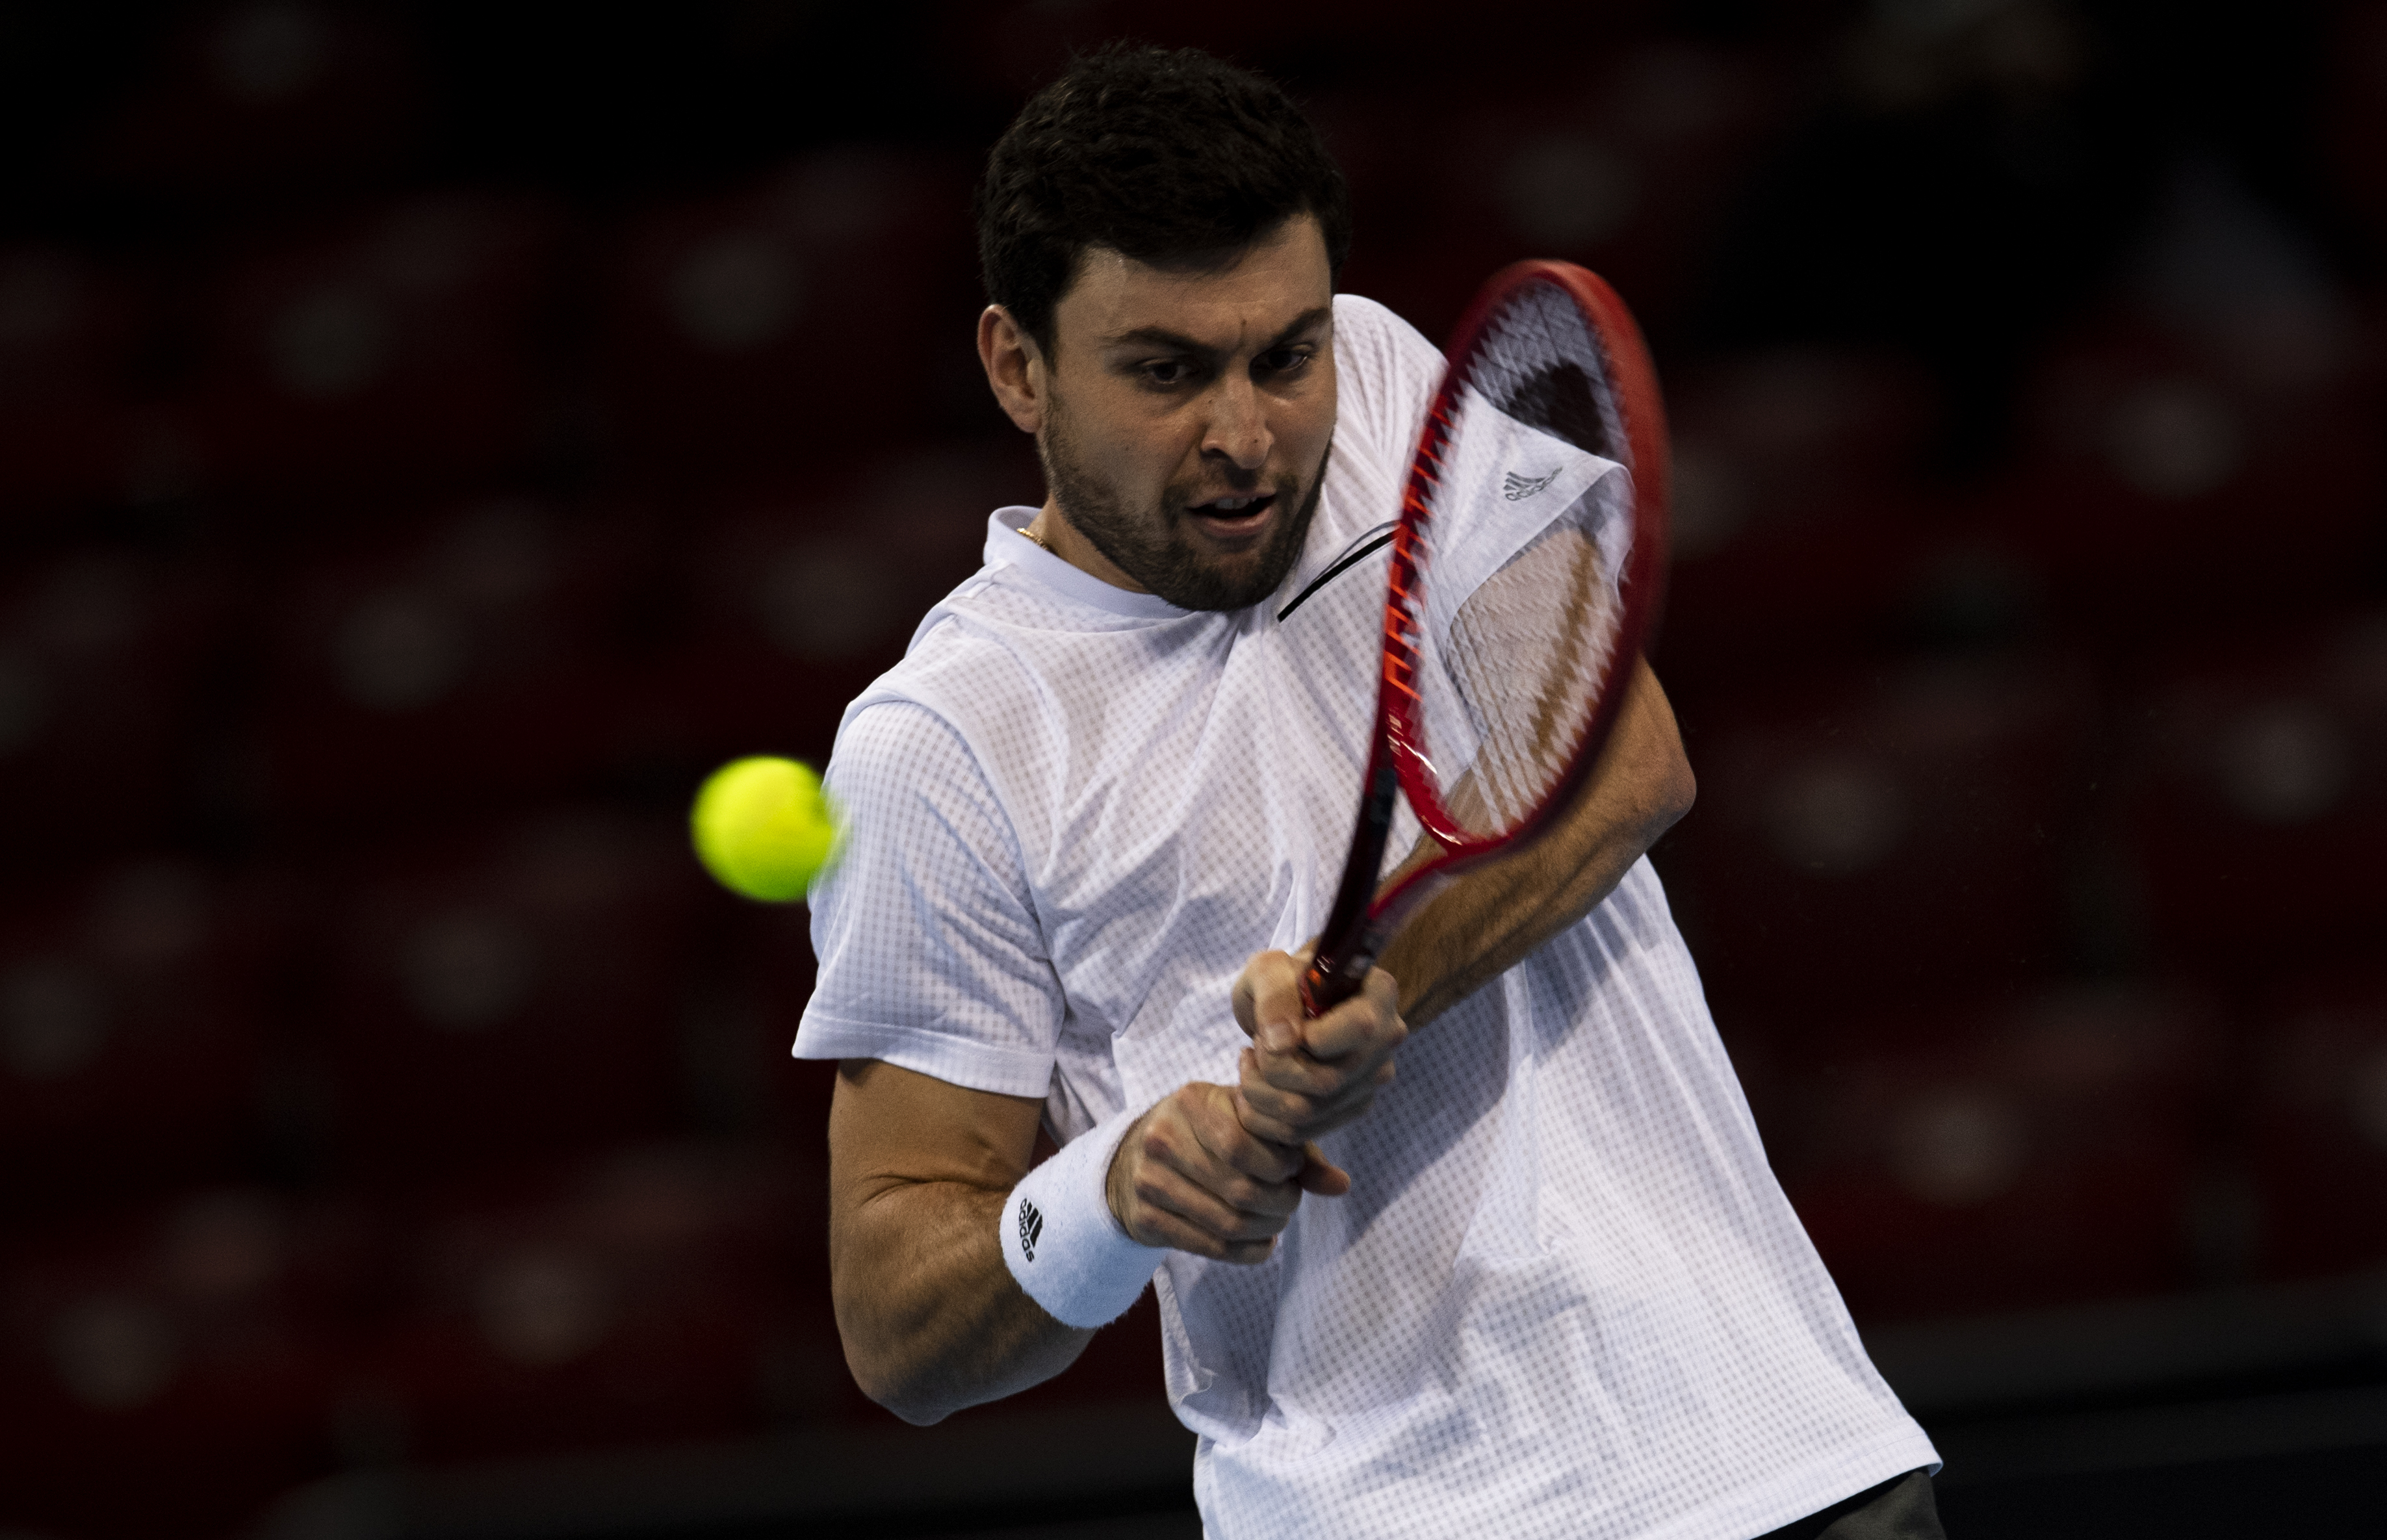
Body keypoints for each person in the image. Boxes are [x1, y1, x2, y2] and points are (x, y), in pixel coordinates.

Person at [793, 43, 1943, 1540]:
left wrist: (1386, 983)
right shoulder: (937, 750)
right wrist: (1120, 1190)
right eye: (1165, 370)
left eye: (1283, 353)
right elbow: (900, 1328)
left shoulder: (1397, 385)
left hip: (1766, 1451)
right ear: (1018, 365)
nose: (1246, 434)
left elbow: (1624, 759)